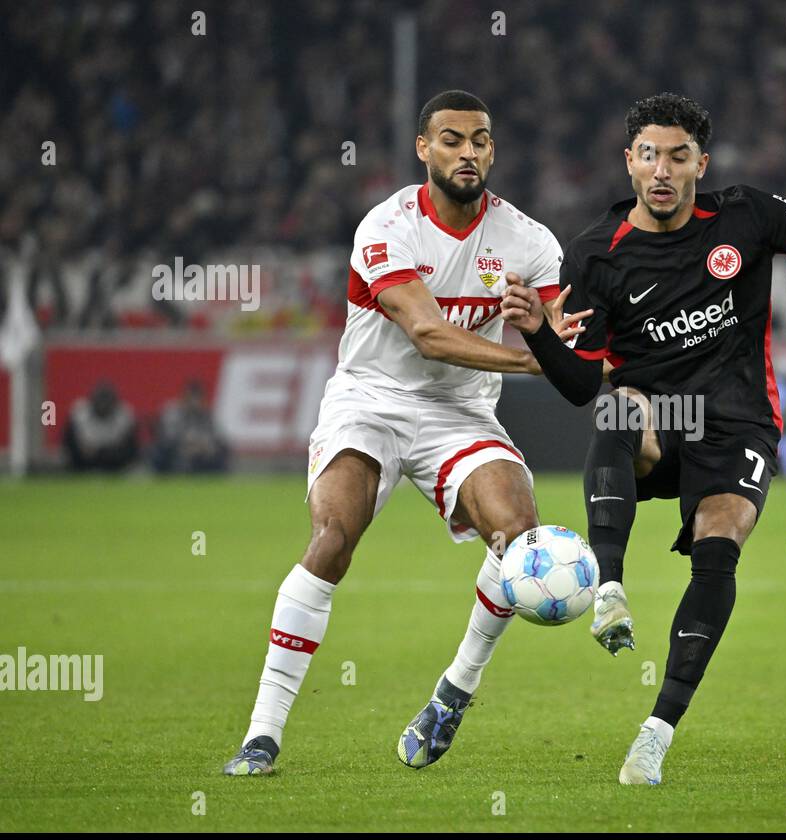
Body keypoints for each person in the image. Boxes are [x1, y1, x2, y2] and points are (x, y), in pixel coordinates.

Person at [502, 93, 786, 784]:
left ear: (699, 164)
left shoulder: (745, 213)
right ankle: (610, 586)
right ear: (629, 162)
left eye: (678, 156)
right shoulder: (597, 253)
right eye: (649, 154)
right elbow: (579, 384)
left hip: (739, 420)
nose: (662, 169)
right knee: (617, 409)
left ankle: (654, 735)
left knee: (718, 553)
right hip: (661, 418)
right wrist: (536, 328)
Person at [222, 90, 588, 776]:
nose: (468, 152)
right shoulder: (386, 226)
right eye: (451, 140)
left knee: (518, 536)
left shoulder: (530, 242)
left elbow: (563, 333)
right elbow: (425, 333)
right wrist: (531, 359)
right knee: (333, 539)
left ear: (492, 151)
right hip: (371, 401)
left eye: (480, 140)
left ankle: (455, 690)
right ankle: (262, 735)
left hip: (462, 415)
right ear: (424, 148)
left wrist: (563, 343)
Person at [150, 380, 229, 473]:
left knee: (220, 453)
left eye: (197, 398)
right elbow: (168, 436)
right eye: (190, 397)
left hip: (201, 452)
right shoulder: (173, 412)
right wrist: (186, 445)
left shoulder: (207, 416)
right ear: (184, 398)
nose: (193, 402)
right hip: (177, 449)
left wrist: (203, 446)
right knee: (161, 451)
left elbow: (216, 437)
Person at [64, 381, 138, 472]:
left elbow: (129, 447)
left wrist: (108, 452)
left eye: (106, 400)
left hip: (115, 462)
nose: (103, 404)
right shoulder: (80, 413)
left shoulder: (124, 415)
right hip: (83, 461)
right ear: (92, 400)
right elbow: (70, 443)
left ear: (114, 402)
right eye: (100, 400)